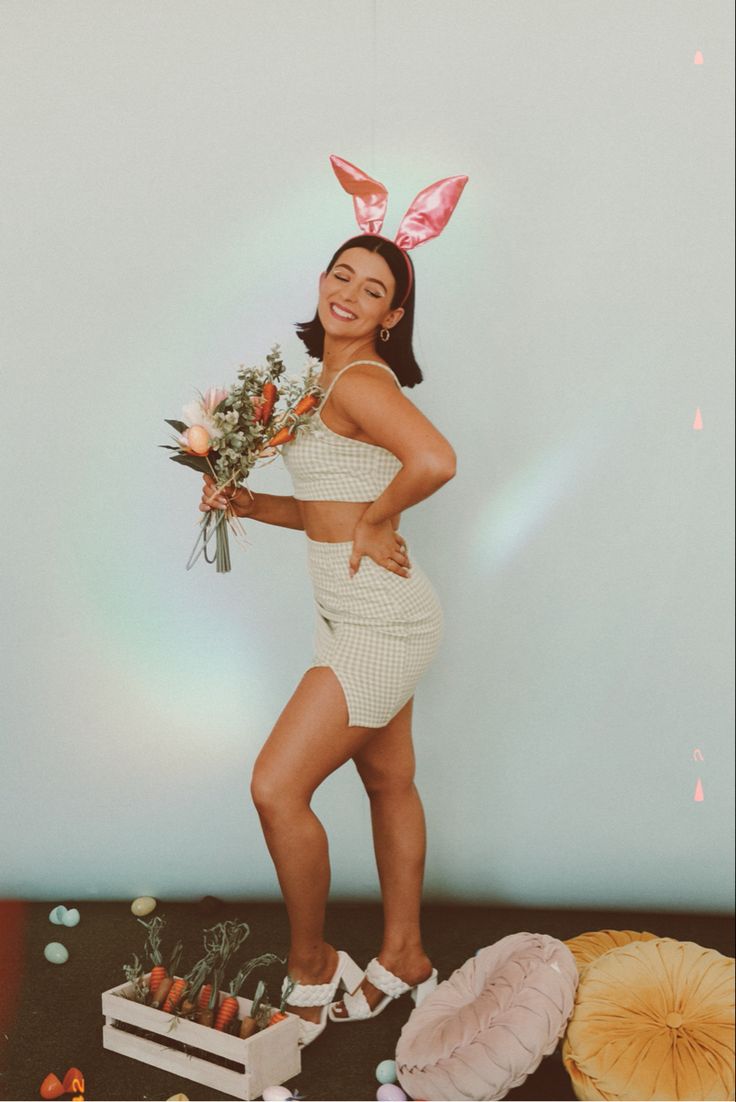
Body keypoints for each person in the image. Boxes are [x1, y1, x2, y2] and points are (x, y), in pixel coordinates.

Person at [199, 157, 467, 1047]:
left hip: (380, 620)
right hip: (357, 611)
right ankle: (405, 956)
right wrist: (245, 503)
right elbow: (327, 511)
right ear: (323, 283)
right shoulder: (322, 384)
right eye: (341, 274)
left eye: (374, 288)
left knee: (277, 788)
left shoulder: (358, 384)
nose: (350, 293)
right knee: (389, 779)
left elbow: (435, 462)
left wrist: (381, 519)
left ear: (395, 317)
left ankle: (313, 967)